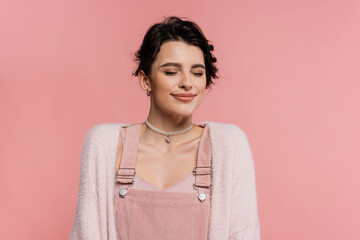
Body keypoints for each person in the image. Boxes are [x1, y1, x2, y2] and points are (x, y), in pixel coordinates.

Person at [70, 16, 260, 240]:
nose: (187, 82)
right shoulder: (104, 145)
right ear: (145, 80)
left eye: (197, 73)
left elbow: (243, 234)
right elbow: (87, 234)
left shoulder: (229, 145)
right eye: (171, 72)